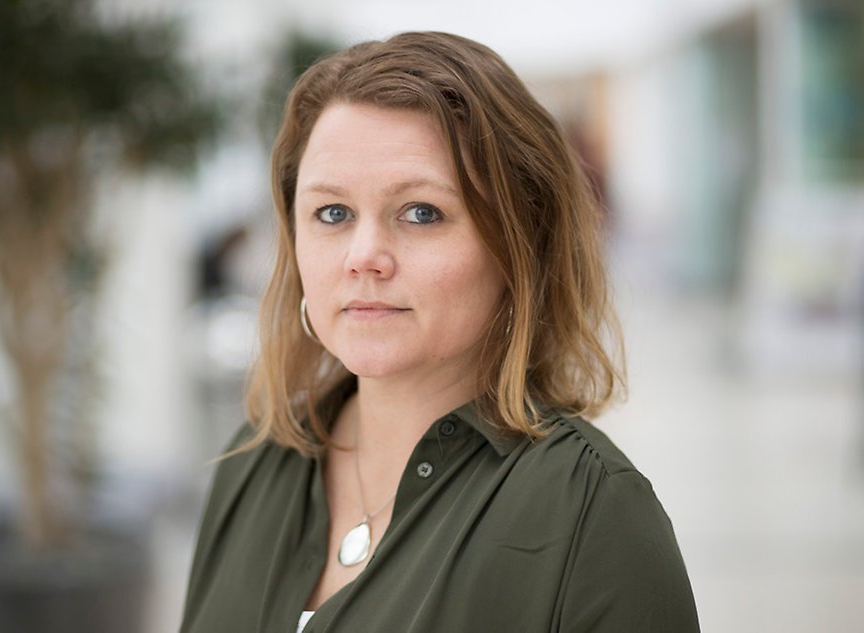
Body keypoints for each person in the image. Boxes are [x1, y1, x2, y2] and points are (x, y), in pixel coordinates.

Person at [179, 31, 700, 633]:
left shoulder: (594, 515)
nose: (364, 255)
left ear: (517, 246)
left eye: (421, 213)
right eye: (332, 213)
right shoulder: (255, 461)